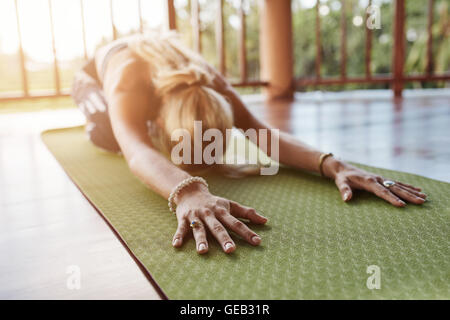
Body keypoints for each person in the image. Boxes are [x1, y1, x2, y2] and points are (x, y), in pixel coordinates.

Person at [72, 32, 426, 255]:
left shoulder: (208, 81)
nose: (205, 159)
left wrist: (334, 164)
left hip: (162, 76)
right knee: (110, 137)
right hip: (95, 75)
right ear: (160, 120)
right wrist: (188, 190)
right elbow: (137, 150)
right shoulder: (127, 83)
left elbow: (262, 133)